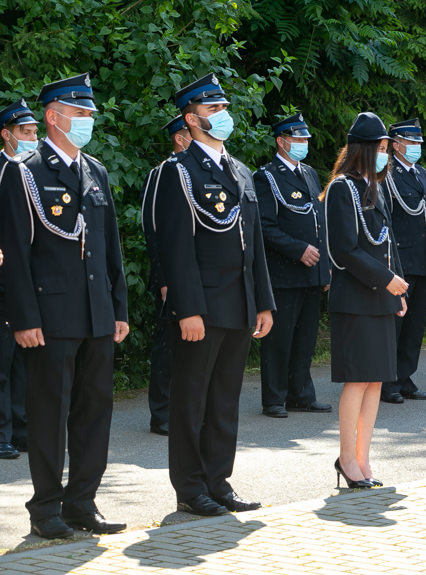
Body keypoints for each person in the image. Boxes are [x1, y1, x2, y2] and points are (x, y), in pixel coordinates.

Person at [0, 73, 129, 538]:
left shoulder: (95, 171)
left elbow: (110, 248)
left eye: (90, 114)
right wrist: (23, 318)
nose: (88, 121)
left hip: (96, 314)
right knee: (50, 414)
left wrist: (119, 309)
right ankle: (46, 509)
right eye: (80, 113)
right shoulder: (25, 171)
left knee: (95, 412)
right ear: (53, 117)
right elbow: (14, 252)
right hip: (49, 317)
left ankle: (82, 504)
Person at [154, 73, 275, 516]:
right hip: (202, 308)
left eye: (224, 109)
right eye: (213, 110)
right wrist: (188, 308)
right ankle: (190, 489)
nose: (222, 117)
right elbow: (176, 248)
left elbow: (255, 244)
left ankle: (218, 481)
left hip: (240, 303)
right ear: (192, 118)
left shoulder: (240, 170)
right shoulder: (179, 172)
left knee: (225, 399)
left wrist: (263, 301)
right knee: (191, 401)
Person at [324, 111, 407, 488]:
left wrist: (398, 289)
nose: (386, 154)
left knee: (375, 381)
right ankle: (345, 458)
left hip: (381, 298)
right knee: (357, 381)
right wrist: (386, 280)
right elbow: (344, 250)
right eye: (382, 147)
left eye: (387, 148)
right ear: (364, 148)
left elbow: (387, 241)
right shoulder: (343, 188)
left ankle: (362, 457)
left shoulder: (375, 186)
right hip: (355, 299)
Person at [254, 113, 332, 417]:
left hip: (312, 272)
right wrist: (298, 250)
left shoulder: (310, 174)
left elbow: (319, 223)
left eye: (304, 140)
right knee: (279, 339)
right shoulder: (267, 177)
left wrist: (324, 266)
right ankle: (274, 398)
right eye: (297, 139)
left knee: (305, 337)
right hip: (285, 272)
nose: (302, 144)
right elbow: (265, 225)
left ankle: (302, 393)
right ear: (281, 141)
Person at [380, 118, 426, 404]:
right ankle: (387, 381)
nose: (416, 148)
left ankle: (405, 377)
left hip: (423, 259)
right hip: (401, 260)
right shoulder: (387, 175)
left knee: (414, 325)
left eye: (418, 143)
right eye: (411, 143)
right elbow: (386, 220)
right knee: (396, 324)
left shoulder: (422, 174)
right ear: (396, 145)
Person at [140, 115, 191, 436]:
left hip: (193, 277)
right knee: (168, 347)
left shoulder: (198, 172)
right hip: (170, 278)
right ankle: (161, 413)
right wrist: (162, 280)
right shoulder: (162, 174)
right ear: (179, 137)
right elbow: (153, 230)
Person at [0, 99, 37, 460]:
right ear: (6, 135)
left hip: (29, 276)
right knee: (2, 359)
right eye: (25, 133)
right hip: (2, 278)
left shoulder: (35, 170)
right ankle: (1, 434)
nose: (31, 138)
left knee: (25, 360)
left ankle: (24, 430)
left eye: (35, 132)